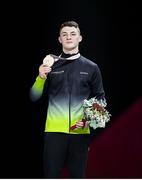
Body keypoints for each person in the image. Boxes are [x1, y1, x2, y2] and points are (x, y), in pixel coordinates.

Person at [30, 20, 106, 178]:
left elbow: (101, 98)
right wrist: (40, 78)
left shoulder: (91, 67)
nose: (69, 37)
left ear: (80, 38)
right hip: (54, 133)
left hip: (80, 132)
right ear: (59, 39)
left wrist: (87, 120)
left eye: (73, 34)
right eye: (65, 34)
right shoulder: (50, 66)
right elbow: (34, 96)